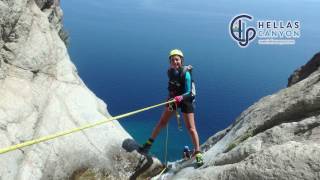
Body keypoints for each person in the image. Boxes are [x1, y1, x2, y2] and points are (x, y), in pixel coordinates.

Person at [139, 49, 204, 166]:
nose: (175, 62)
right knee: (162, 122)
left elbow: (189, 92)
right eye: (172, 60)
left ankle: (198, 152)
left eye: (177, 59)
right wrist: (169, 98)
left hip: (186, 101)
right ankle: (148, 144)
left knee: (191, 128)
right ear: (170, 62)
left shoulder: (186, 74)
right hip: (174, 99)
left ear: (181, 61)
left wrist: (180, 98)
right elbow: (172, 87)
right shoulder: (170, 72)